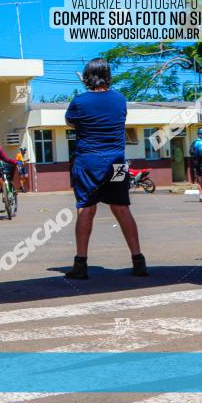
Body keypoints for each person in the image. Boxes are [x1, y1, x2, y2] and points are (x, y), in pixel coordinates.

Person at [64, 58, 147, 279]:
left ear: (88, 77)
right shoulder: (120, 100)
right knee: (122, 208)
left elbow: (70, 122)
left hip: (89, 163)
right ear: (108, 76)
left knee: (86, 209)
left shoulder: (79, 102)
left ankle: (80, 264)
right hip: (117, 163)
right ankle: (138, 260)